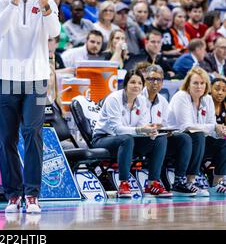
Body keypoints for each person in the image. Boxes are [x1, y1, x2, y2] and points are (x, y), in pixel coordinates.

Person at [0, 0, 60, 213]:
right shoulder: (1, 2)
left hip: (37, 79)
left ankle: (32, 194)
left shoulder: (46, 3)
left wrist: (45, 9)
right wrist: (13, 2)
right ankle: (13, 195)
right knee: (6, 138)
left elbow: (54, 32)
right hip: (7, 78)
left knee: (33, 134)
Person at [92, 69, 172, 198]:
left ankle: (153, 183)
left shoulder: (142, 101)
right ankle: (124, 183)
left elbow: (142, 125)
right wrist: (141, 130)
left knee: (160, 139)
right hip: (104, 139)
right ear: (125, 84)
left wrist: (150, 132)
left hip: (131, 140)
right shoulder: (114, 99)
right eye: (132, 82)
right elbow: (117, 129)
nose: (136, 86)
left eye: (139, 83)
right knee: (126, 139)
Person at [168, 67, 226, 196]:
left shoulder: (208, 99)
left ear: (206, 85)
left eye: (202, 83)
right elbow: (187, 126)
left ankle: (217, 183)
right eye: (195, 83)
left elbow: (211, 125)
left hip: (197, 142)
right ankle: (188, 182)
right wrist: (214, 127)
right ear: (188, 84)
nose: (199, 86)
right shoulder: (181, 96)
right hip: (175, 140)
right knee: (197, 135)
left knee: (222, 140)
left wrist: (220, 131)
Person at [142, 65, 198, 196]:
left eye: (159, 80)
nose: (155, 83)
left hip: (159, 138)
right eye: (151, 79)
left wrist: (168, 131)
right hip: (142, 139)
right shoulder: (138, 97)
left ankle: (179, 180)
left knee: (184, 138)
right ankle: (153, 182)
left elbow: (167, 123)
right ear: (145, 80)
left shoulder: (163, 101)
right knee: (160, 138)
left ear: (162, 82)